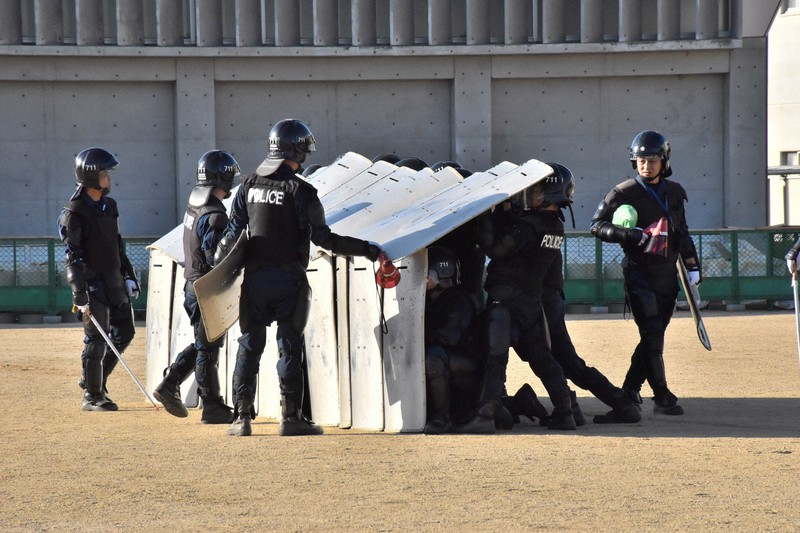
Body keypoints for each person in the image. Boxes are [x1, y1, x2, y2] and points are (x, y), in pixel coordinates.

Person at [216, 119, 384, 437]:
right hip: (289, 282)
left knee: (248, 347)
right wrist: (368, 250)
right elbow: (324, 240)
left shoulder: (249, 185)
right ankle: (290, 418)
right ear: (297, 150)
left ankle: (241, 418)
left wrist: (212, 274)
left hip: (253, 283)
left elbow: (230, 238)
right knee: (289, 348)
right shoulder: (303, 191)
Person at [590, 130, 701, 416]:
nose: (645, 165)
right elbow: (597, 226)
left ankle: (629, 388)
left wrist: (692, 266)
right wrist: (627, 233)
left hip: (668, 274)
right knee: (651, 333)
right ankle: (661, 395)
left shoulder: (675, 192)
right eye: (640, 160)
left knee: (655, 335)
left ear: (663, 161)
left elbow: (683, 231)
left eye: (651, 160)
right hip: (639, 273)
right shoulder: (623, 192)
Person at [460, 175, 579, 433]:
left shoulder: (529, 227)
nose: (530, 197)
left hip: (507, 301)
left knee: (496, 357)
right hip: (532, 301)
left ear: (550, 194)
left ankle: (485, 415)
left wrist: (484, 214)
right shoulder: (554, 225)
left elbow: (495, 249)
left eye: (537, 192)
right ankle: (565, 411)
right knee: (542, 359)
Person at [538, 163, 641, 424]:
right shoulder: (553, 222)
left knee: (567, 363)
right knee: (568, 363)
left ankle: (615, 403)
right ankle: (605, 403)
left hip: (544, 301)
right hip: (549, 299)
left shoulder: (542, 223)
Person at [152, 150, 241, 424]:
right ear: (222, 179)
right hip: (206, 287)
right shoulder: (215, 215)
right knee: (208, 350)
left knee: (204, 343)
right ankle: (212, 406)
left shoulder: (195, 207)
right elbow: (217, 257)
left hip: (192, 284)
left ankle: (170, 382)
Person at [58, 147, 139, 411]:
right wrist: (78, 291)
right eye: (105, 174)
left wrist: (129, 275)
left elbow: (117, 244)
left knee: (125, 332)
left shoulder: (109, 205)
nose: (109, 179)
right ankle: (92, 396)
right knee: (97, 339)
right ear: (93, 176)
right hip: (92, 284)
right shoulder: (75, 211)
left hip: (114, 279)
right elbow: (73, 255)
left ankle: (94, 380)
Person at [423, 246, 484, 434]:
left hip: (468, 361)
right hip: (453, 357)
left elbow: (449, 337)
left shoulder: (458, 301)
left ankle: (441, 419)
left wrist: (422, 335)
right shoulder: (430, 300)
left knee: (432, 359)